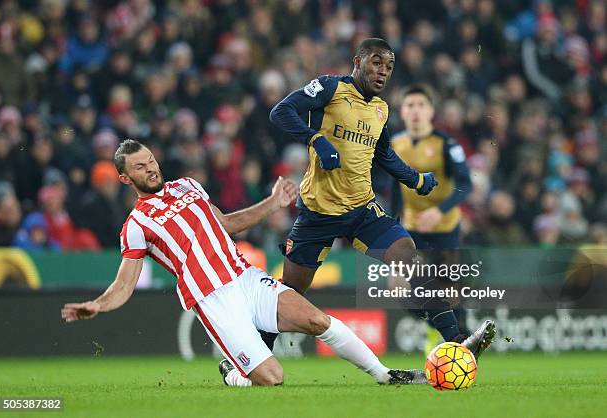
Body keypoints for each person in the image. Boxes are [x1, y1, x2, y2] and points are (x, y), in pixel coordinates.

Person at [61, 139, 427, 387]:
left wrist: (271, 204)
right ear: (126, 178)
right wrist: (97, 304)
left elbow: (226, 224)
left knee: (318, 319)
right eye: (140, 167)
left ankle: (385, 375)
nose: (151, 169)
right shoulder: (136, 225)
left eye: (151, 161)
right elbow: (125, 283)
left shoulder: (188, 186)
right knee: (273, 377)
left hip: (245, 277)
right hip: (213, 298)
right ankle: (235, 375)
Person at [267, 38, 495, 356]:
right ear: (357, 61)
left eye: (388, 66)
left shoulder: (381, 109)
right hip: (319, 212)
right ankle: (251, 356)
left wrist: (415, 179)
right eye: (376, 62)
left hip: (362, 209)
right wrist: (316, 138)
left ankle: (457, 341)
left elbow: (384, 155)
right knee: (292, 291)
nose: (382, 71)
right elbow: (281, 112)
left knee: (408, 258)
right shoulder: (330, 88)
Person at [390, 84, 472, 354]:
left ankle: (461, 342)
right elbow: (394, 189)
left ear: (431, 111)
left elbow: (465, 185)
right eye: (410, 105)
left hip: (445, 229)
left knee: (448, 292)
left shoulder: (445, 143)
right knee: (401, 289)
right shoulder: (395, 144)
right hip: (412, 229)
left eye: (421, 105)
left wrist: (440, 210)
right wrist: (393, 222)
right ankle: (441, 327)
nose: (415, 111)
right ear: (402, 112)